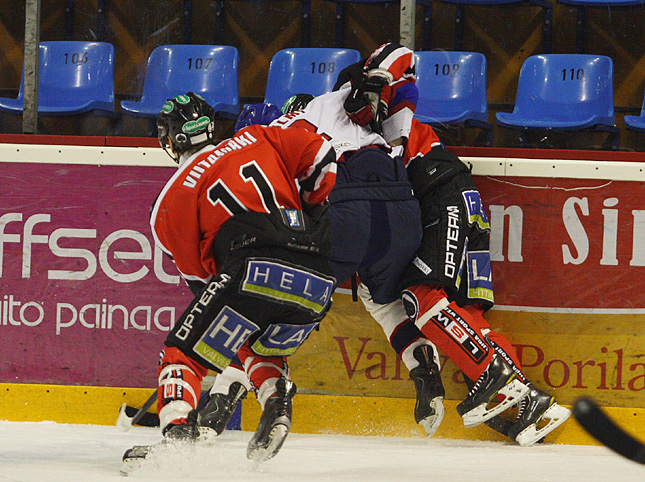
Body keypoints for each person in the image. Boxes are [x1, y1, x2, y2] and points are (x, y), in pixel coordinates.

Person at [200, 43, 447, 441]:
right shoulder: (368, 119)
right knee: (384, 303)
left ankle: (223, 401)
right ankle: (424, 369)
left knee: (279, 306)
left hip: (348, 207)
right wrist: (385, 78)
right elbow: (404, 68)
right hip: (402, 210)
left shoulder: (274, 138)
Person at [121, 92, 338, 471]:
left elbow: (203, 281)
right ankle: (276, 398)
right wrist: (301, 223)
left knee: (180, 355)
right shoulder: (261, 136)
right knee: (261, 345)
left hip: (252, 264)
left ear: (169, 141)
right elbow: (323, 160)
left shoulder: (169, 201)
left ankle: (175, 445)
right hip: (320, 273)